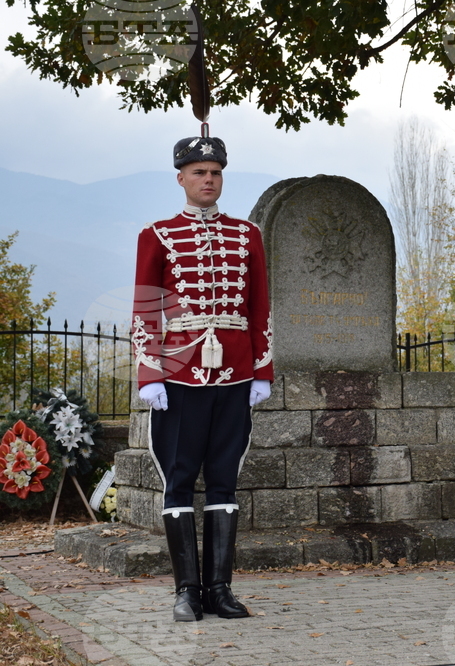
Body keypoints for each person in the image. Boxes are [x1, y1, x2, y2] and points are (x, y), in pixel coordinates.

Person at [131, 136, 274, 621]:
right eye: (198, 172)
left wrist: (262, 368)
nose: (207, 180)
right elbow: (146, 308)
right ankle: (185, 591)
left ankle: (219, 589)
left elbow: (259, 307)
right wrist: (149, 373)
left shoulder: (247, 233)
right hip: (177, 375)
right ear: (181, 179)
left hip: (234, 372)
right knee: (178, 480)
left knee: (224, 481)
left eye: (214, 172)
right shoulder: (157, 234)